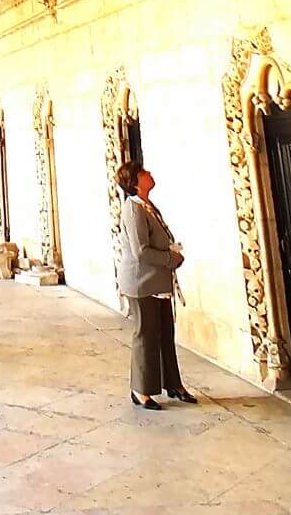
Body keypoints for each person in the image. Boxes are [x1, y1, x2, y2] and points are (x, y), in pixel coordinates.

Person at [116, 160, 196, 409]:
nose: (149, 173)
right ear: (135, 181)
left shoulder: (147, 206)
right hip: (142, 282)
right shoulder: (133, 209)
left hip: (158, 281)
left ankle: (173, 384)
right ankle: (140, 390)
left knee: (164, 333)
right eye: (143, 172)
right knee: (145, 335)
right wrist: (170, 259)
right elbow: (140, 251)